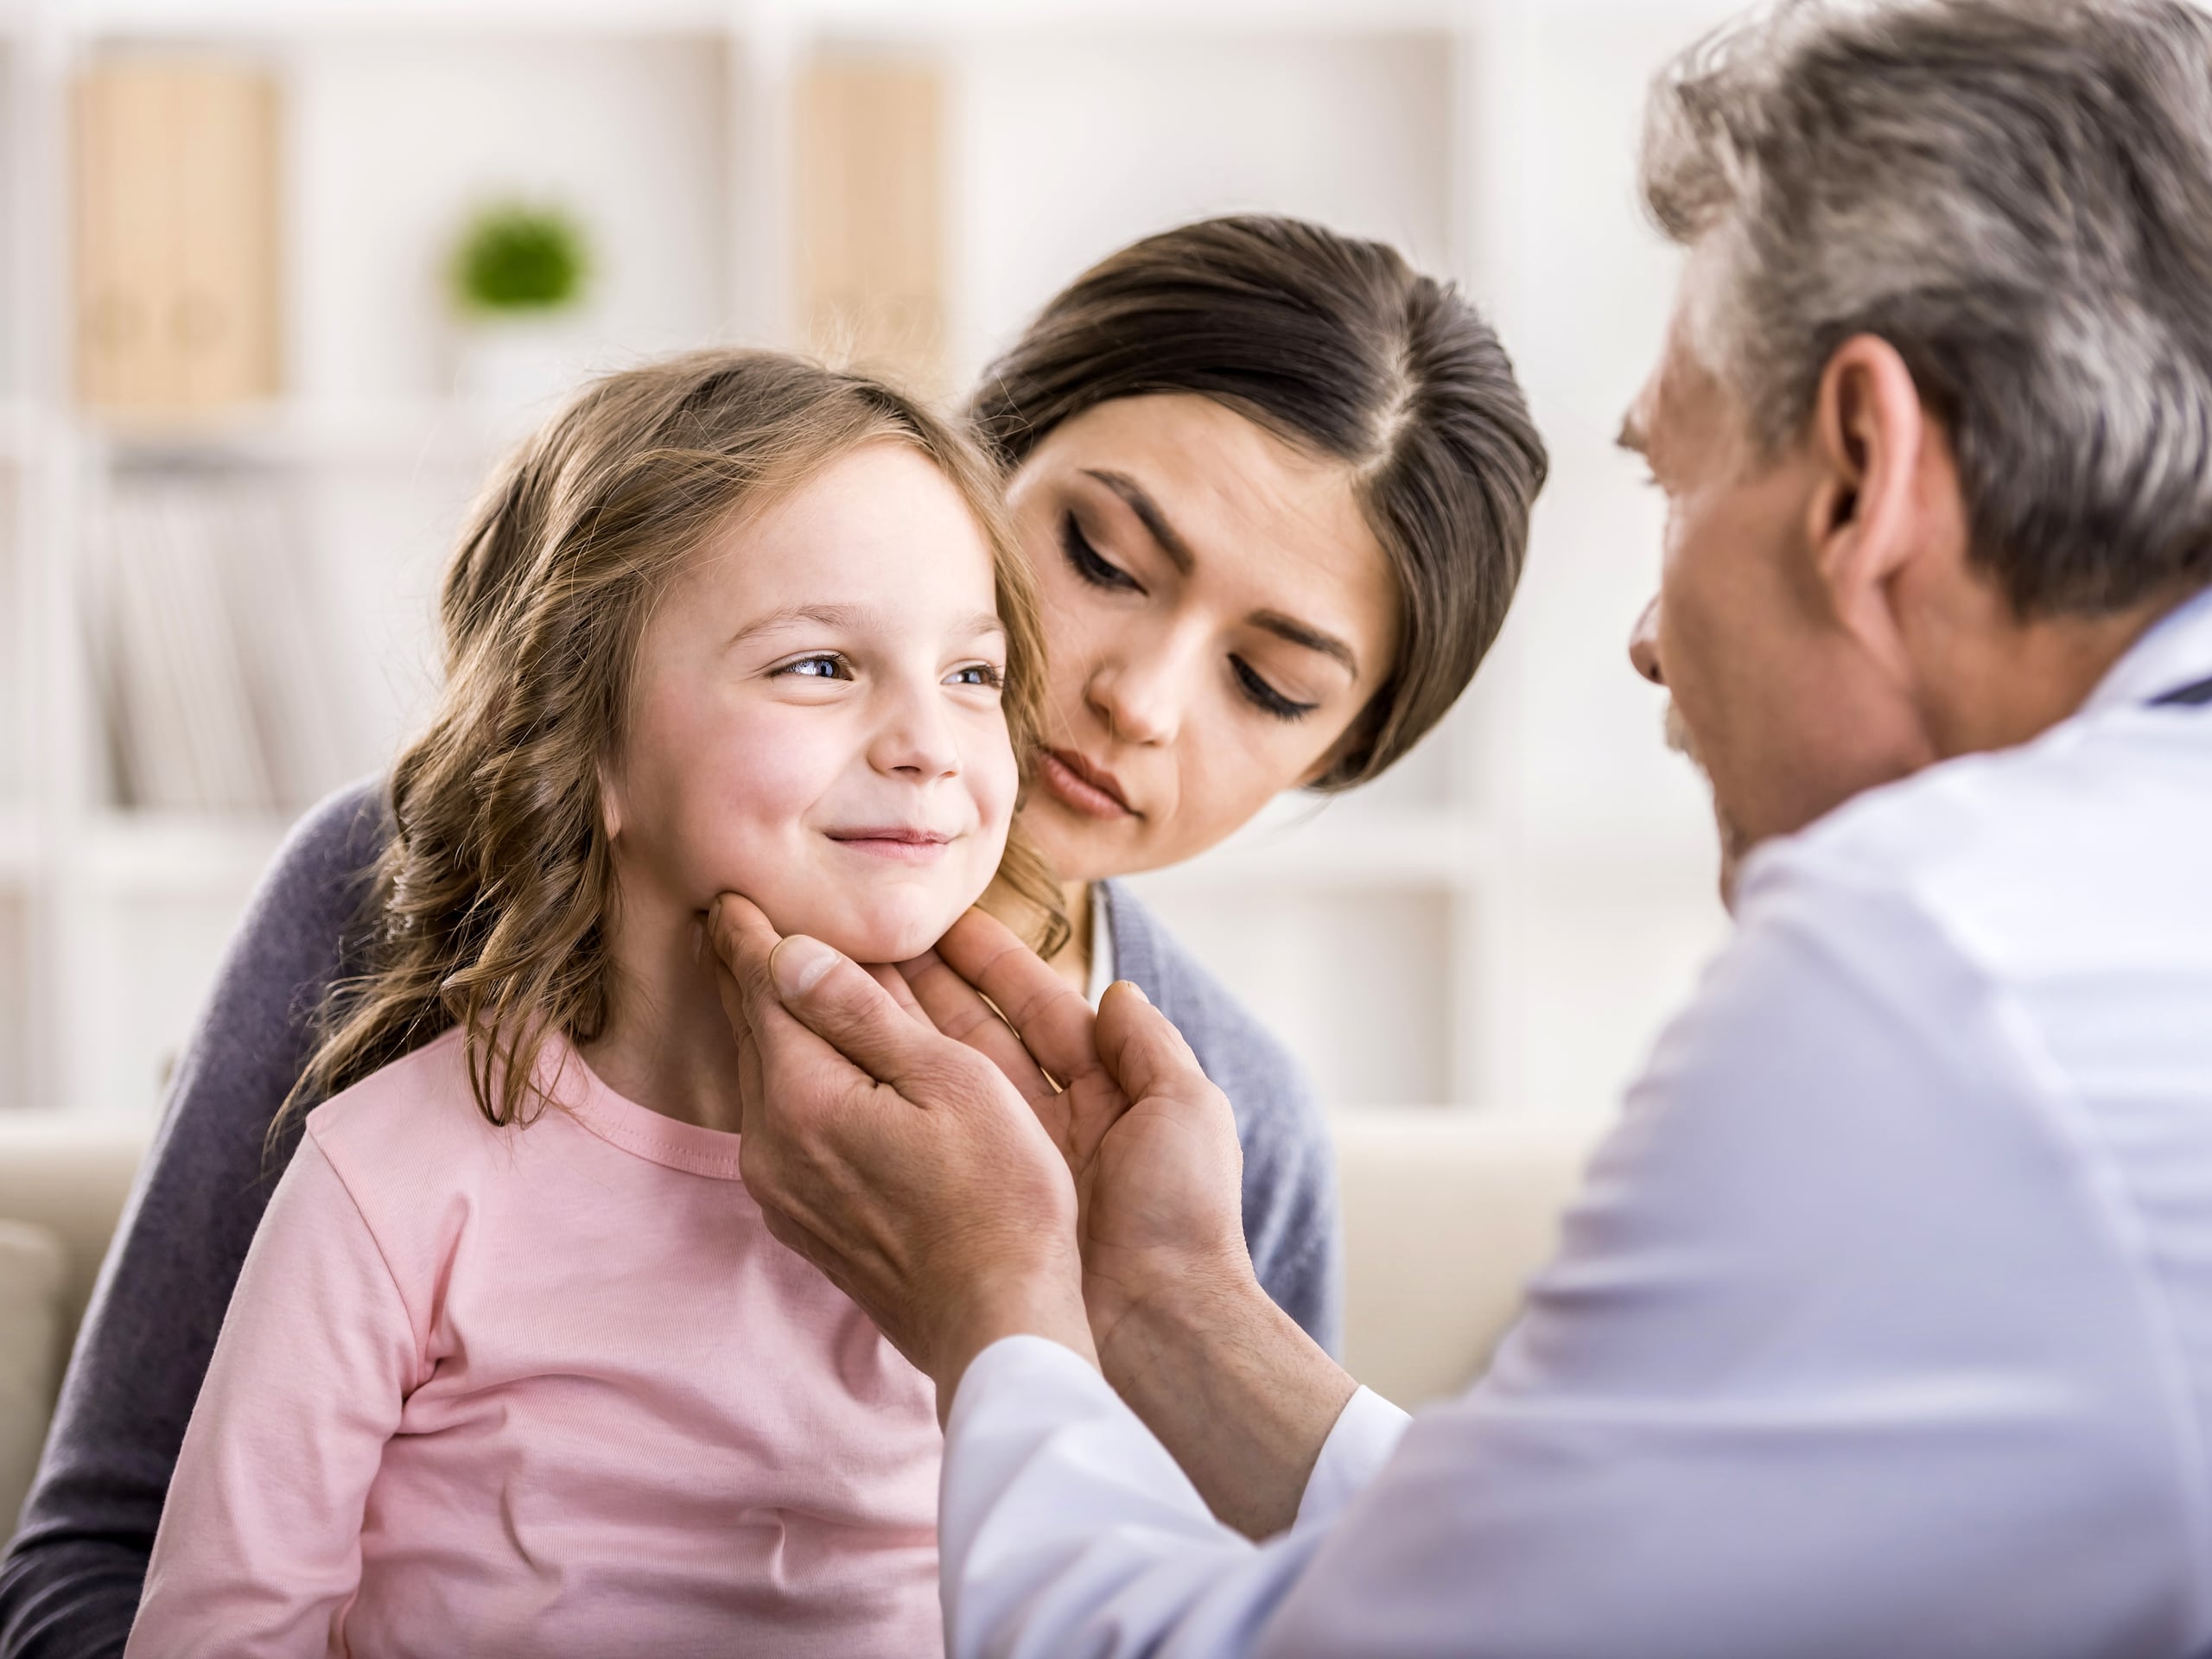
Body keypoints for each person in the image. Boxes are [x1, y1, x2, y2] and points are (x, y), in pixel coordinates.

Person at [704, 1, 2212, 1654]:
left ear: (1863, 477)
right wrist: (1165, 1307)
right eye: (1108, 558)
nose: (1645, 633)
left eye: (1675, 482)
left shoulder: (1929, 961)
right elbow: (1617, 1597)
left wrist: (1003, 1304)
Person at [0, 217, 1545, 1656]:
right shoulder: (407, 887)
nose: (1142, 694)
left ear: (1335, 757)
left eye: (1271, 686)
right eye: (1102, 560)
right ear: (972, 467)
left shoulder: (1217, 1123)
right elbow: (109, 1560)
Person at [124, 348, 1071, 1655]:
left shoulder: (1019, 1174)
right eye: (818, 666)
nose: (931, 740)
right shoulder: (398, 1174)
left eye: (974, 674)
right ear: (583, 741)